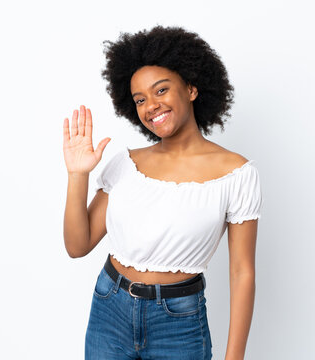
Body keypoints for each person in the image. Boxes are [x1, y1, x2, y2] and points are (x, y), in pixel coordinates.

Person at [63, 25, 263, 360]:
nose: (151, 106)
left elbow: (242, 272)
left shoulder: (236, 174)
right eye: (140, 99)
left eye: (161, 90)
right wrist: (77, 175)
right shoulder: (126, 164)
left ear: (191, 88)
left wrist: (235, 358)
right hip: (109, 307)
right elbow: (77, 245)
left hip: (179, 322)